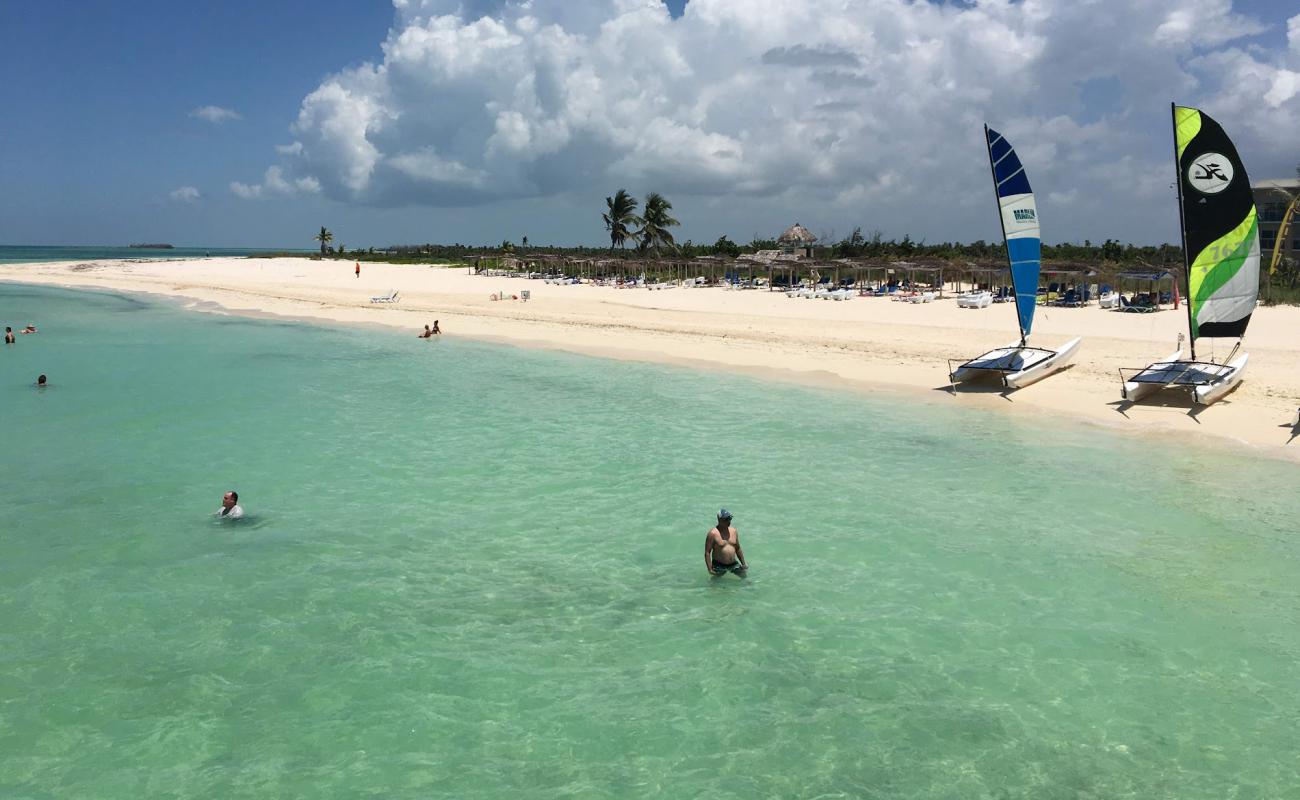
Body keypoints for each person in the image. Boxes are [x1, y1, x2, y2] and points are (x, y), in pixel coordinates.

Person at [705, 508, 747, 576]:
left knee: (745, 580)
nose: (729, 521)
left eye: (730, 518)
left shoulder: (733, 531)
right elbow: (707, 553)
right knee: (716, 584)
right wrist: (710, 569)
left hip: (733, 564)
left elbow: (738, 548)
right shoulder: (712, 534)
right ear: (719, 520)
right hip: (718, 565)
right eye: (726, 519)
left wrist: (743, 564)